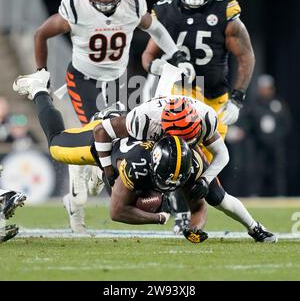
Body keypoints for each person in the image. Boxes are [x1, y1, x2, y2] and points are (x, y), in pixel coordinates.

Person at [13, 69, 277, 242]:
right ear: (163, 129)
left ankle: (256, 227)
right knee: (58, 147)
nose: (182, 142)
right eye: (177, 137)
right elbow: (103, 134)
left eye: (189, 138)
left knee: (214, 195)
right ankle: (39, 88)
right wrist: (108, 170)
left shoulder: (205, 118)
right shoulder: (143, 121)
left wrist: (206, 180)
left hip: (161, 154)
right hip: (116, 142)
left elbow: (222, 156)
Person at [33, 0, 195, 226]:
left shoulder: (132, 4)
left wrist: (175, 53)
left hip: (118, 79)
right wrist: (41, 71)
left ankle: (80, 186)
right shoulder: (75, 8)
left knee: (116, 140)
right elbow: (41, 34)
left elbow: (154, 27)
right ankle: (80, 185)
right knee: (103, 135)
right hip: (84, 80)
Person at [141, 0, 255, 232]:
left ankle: (190, 209)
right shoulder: (166, 12)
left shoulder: (224, 12)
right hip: (181, 93)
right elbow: (148, 56)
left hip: (215, 98)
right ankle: (180, 212)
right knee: (178, 154)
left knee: (204, 162)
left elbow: (245, 55)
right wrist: (155, 66)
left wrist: (237, 98)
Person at [248, 75, 292, 196]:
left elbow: (286, 123)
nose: (265, 91)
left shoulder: (278, 104)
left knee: (278, 170)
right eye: (262, 88)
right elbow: (248, 123)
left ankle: (279, 194)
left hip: (276, 144)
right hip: (259, 144)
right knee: (257, 170)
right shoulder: (254, 105)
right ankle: (255, 194)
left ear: (272, 89)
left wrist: (277, 137)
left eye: (267, 88)